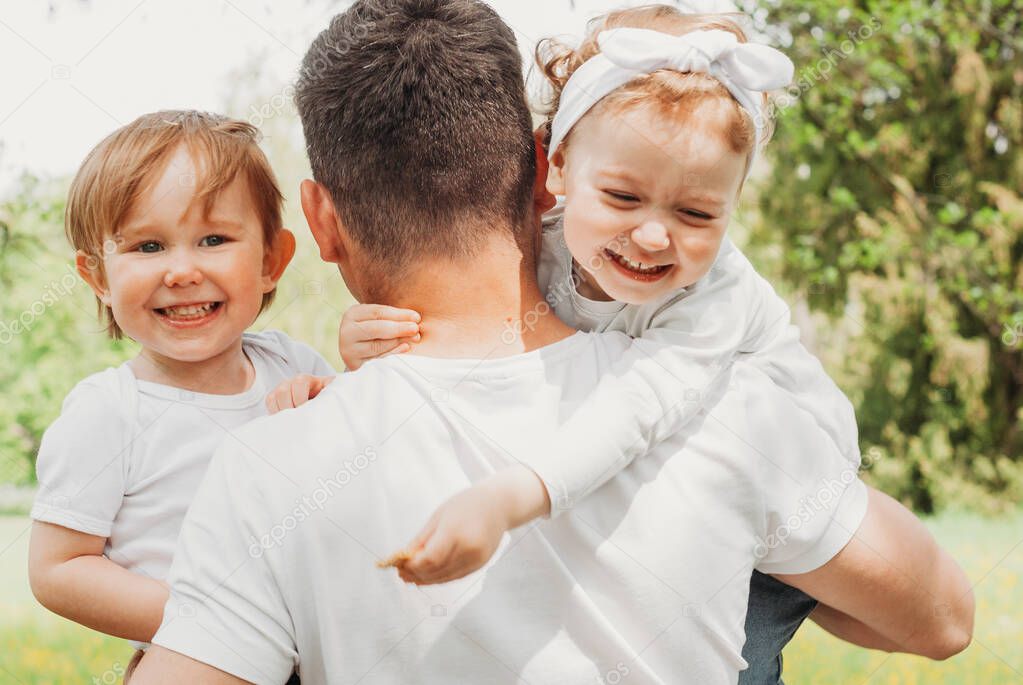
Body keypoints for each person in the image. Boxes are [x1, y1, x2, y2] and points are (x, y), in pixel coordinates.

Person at [131, 2, 973, 683]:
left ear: (320, 218)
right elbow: (943, 619)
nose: (652, 237)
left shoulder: (266, 467)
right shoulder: (733, 409)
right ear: (547, 172)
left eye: (691, 212)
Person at [26, 111, 333, 681]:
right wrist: (205, 621)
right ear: (98, 278)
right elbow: (58, 568)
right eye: (147, 247)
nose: (182, 271)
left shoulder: (294, 366)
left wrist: (343, 386)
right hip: (203, 661)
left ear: (271, 260)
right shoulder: (110, 413)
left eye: (213, 239)